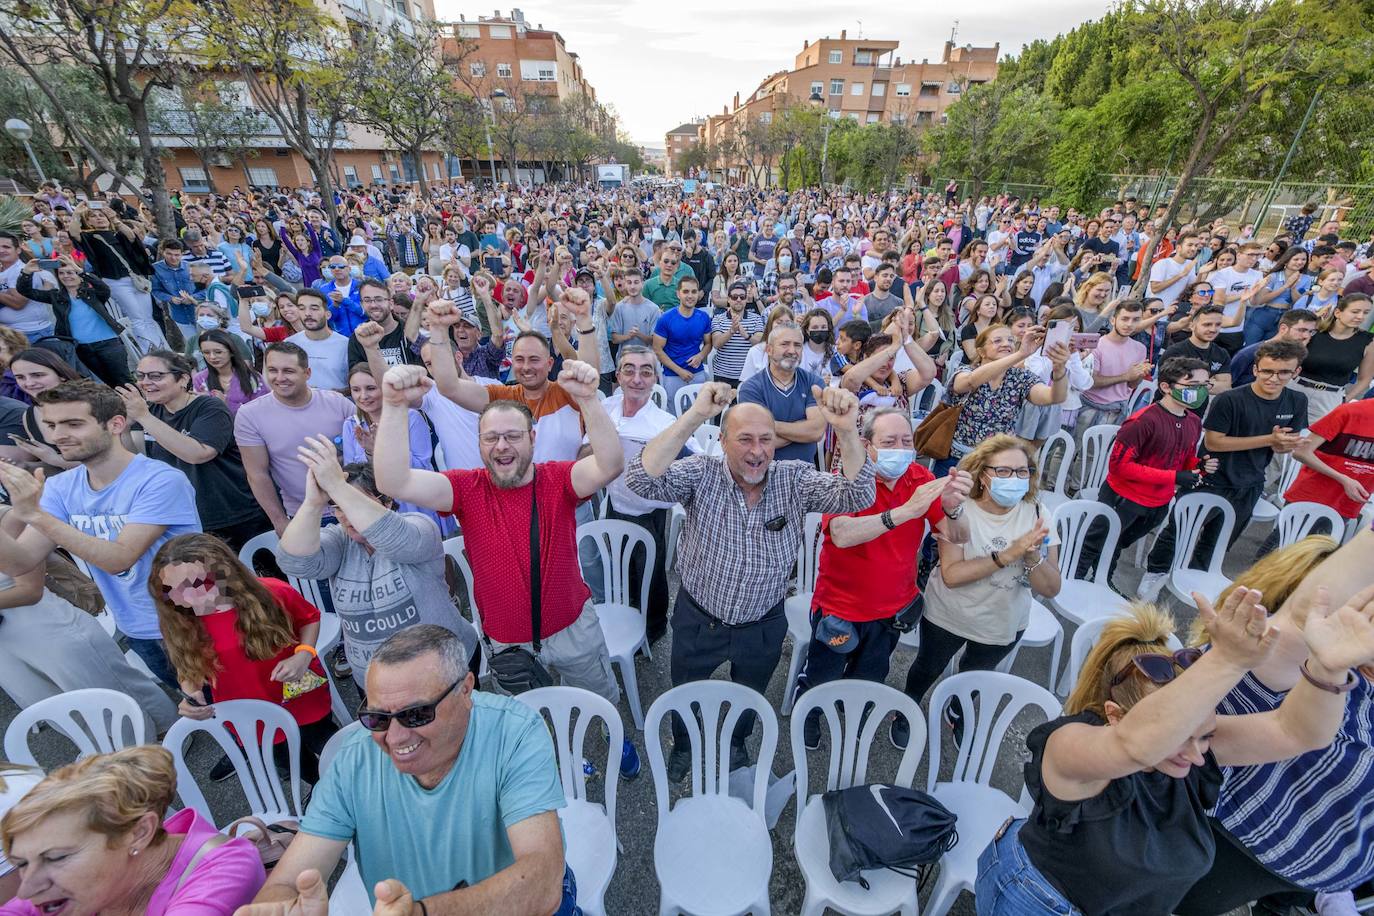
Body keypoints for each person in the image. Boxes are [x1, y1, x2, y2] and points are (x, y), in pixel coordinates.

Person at [975, 584, 1374, 916]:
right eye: (1185, 735)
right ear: (1114, 715)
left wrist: (1328, 670)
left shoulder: (1186, 758)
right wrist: (1228, 661)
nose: (1201, 755)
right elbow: (1136, 746)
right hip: (1035, 900)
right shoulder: (1070, 746)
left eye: (1206, 736)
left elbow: (1297, 732)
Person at [372, 359, 641, 778]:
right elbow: (393, 482)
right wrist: (392, 405)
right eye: (491, 437)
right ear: (479, 444)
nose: (502, 446)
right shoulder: (466, 488)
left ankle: (614, 735)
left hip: (573, 625)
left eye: (513, 435)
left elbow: (609, 465)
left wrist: (588, 399)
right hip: (507, 640)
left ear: (532, 438)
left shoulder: (558, 479)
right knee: (529, 715)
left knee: (600, 693)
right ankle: (557, 757)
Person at [624, 382, 876, 780]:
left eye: (765, 439)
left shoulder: (793, 478)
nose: (757, 451)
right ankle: (685, 746)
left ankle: (738, 742)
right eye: (744, 439)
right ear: (722, 441)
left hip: (763, 623)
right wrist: (693, 417)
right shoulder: (700, 473)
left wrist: (845, 430)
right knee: (685, 692)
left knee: (750, 694)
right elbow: (640, 479)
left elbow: (859, 495)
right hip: (699, 618)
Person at [234, 626, 575, 915]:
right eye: (376, 718)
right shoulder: (353, 762)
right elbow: (286, 882)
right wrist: (279, 905)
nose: (394, 738)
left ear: (466, 689)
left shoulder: (514, 731)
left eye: (417, 715)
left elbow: (543, 880)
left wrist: (425, 911)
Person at [1174, 535, 1374, 915]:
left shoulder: (1353, 675)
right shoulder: (1273, 669)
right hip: (1242, 853)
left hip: (1317, 873)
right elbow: (1301, 623)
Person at [0, 380, 200, 687]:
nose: (57, 436)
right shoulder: (61, 487)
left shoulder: (160, 480)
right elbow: (20, 562)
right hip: (136, 624)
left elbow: (119, 558)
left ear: (116, 424)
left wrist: (35, 515)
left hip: (193, 620)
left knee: (239, 706)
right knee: (197, 705)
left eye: (73, 424)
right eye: (51, 425)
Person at [795, 407, 972, 749]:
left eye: (907, 440)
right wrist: (905, 512)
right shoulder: (847, 479)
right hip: (840, 608)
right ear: (867, 445)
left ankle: (856, 714)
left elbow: (957, 537)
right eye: (889, 441)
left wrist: (953, 508)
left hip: (890, 611)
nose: (901, 448)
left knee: (870, 676)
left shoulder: (920, 479)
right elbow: (843, 533)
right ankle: (811, 713)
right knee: (822, 674)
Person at [277, 437, 479, 690]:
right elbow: (295, 563)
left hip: (442, 672)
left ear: (386, 501)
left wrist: (338, 486)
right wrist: (313, 503)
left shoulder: (418, 526)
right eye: (338, 506)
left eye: (354, 503)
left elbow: (395, 539)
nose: (347, 514)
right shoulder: (340, 540)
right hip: (378, 682)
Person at [903, 435, 1062, 746]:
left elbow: (1051, 586)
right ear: (982, 473)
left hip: (1002, 623)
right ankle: (908, 707)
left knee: (975, 676)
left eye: (1022, 471)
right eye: (1003, 471)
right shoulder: (958, 510)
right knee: (927, 666)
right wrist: (1009, 554)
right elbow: (951, 574)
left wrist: (1032, 557)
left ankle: (957, 711)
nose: (1014, 479)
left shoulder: (1038, 513)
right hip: (948, 615)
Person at [150, 533, 338, 783]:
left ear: (223, 572)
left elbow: (309, 618)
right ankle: (324, 794)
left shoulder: (271, 591)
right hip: (250, 715)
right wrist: (189, 694)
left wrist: (304, 654)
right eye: (172, 591)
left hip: (299, 695)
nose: (186, 598)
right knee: (294, 764)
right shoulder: (179, 619)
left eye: (197, 584)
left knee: (332, 750)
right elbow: (187, 665)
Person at [0, 746, 265, 915]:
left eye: (56, 858)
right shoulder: (70, 885)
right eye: (22, 863)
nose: (25, 891)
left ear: (138, 833)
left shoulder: (223, 870)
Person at [1141, 340, 1310, 601]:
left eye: (1283, 372)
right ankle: (1155, 573)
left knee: (1218, 541)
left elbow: (1283, 447)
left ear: (1296, 372)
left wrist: (1286, 444)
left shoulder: (1296, 401)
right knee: (1178, 531)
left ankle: (1192, 585)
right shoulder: (1230, 399)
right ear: (1255, 369)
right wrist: (1270, 440)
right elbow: (1214, 441)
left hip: (1251, 483)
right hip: (1210, 478)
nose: (1274, 378)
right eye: (1267, 371)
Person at [0, 503, 178, 736]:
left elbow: (31, 590)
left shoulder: (10, 517)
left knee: (105, 686)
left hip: (43, 624)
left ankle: (164, 736)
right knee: (45, 703)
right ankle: (106, 749)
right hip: (6, 645)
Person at [1075, 357, 1218, 589]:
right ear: (1165, 387)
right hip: (1124, 498)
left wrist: (1198, 464)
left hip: (1158, 502)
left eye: (1205, 385)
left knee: (1119, 543)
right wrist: (1174, 477)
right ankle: (1075, 580)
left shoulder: (1193, 421)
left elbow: (1184, 456)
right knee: (1097, 541)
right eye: (1192, 386)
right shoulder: (1142, 421)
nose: (1200, 392)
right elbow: (1120, 466)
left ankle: (1103, 580)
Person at [120, 350, 270, 551]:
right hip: (189, 517)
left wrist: (144, 417)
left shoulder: (209, 407)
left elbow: (199, 453)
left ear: (182, 379)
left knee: (262, 579)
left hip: (235, 513)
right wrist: (125, 429)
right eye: (140, 376)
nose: (145, 382)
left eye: (155, 376)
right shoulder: (151, 411)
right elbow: (138, 459)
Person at [595, 345, 695, 645]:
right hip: (615, 502)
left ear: (655, 379)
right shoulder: (607, 409)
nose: (637, 378)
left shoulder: (663, 424)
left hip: (650, 511)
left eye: (646, 371)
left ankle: (653, 629)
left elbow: (692, 461)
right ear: (618, 375)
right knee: (621, 568)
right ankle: (626, 619)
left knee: (650, 573)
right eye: (629, 369)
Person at [233, 342, 353, 535]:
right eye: (272, 370)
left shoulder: (338, 404)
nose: (280, 378)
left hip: (351, 507)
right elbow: (257, 474)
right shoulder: (249, 415)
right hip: (303, 514)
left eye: (288, 371)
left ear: (307, 373)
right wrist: (279, 522)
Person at [939, 325, 1070, 476]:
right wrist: (1021, 354)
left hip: (998, 464)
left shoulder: (1019, 378)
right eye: (997, 340)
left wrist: (1059, 368)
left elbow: (1054, 397)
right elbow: (969, 382)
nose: (1006, 344)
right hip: (959, 460)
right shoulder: (965, 372)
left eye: (1010, 340)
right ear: (981, 351)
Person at [16, 255, 130, 387]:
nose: (66, 276)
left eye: (70, 273)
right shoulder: (56, 296)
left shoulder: (92, 293)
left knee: (124, 380)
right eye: (61, 273)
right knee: (101, 384)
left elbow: (103, 288)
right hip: (81, 348)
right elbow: (26, 291)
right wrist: (26, 272)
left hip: (109, 345)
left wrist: (78, 269)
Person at [66, 205, 166, 353]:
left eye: (101, 215)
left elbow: (132, 237)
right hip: (116, 281)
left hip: (136, 278)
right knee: (137, 317)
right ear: (89, 221)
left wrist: (114, 218)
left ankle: (160, 347)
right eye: (94, 216)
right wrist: (76, 215)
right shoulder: (90, 237)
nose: (99, 218)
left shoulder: (118, 234)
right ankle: (150, 351)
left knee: (147, 317)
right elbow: (74, 233)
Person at [738, 321, 825, 464]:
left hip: (805, 473)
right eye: (785, 344)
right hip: (765, 471)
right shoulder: (751, 388)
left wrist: (769, 425)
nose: (792, 350)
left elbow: (816, 432)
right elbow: (756, 442)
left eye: (797, 345)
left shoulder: (813, 383)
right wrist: (803, 428)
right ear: (769, 350)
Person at [1285, 397, 1374, 528]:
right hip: (1311, 497)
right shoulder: (1350, 411)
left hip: (1347, 504)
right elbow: (1301, 452)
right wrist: (1343, 479)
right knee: (1280, 547)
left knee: (1322, 548)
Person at [1293, 293, 1374, 422]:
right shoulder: (1314, 332)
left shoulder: (1368, 342)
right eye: (1355, 311)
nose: (1360, 317)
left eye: (1366, 313)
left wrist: (1345, 399)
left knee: (1309, 440)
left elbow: (1365, 379)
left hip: (1329, 398)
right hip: (1295, 389)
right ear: (1337, 312)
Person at [1078, 299, 1151, 433]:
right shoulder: (1097, 344)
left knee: (1099, 454)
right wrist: (1125, 376)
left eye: (1135, 320)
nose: (1129, 324)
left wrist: (1140, 374)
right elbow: (1091, 381)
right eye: (1125, 319)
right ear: (1113, 320)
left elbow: (1132, 385)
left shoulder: (1140, 348)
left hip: (1117, 412)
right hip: (1088, 410)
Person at [652, 275, 712, 406]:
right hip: (672, 375)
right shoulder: (666, 319)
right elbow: (657, 349)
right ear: (678, 294)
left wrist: (701, 356)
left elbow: (708, 343)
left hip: (697, 373)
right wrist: (679, 371)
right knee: (674, 417)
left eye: (694, 291)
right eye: (686, 291)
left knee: (698, 414)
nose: (690, 296)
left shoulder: (704, 317)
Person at [1228, 308, 1319, 388]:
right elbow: (1227, 384)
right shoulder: (1249, 354)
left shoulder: (1298, 355)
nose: (1307, 336)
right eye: (1301, 330)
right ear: (1283, 328)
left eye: (1311, 331)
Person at [284, 291, 350, 391]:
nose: (307, 314)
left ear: (327, 314)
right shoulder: (289, 344)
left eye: (314, 308)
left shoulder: (346, 344)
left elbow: (357, 383)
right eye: (302, 308)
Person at [1161, 304, 1233, 391]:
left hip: (1202, 404)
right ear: (1192, 326)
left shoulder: (1221, 353)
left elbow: (1226, 387)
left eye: (1218, 325)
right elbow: (1171, 387)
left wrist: (1194, 383)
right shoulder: (1175, 352)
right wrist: (1210, 382)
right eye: (1207, 325)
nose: (1213, 329)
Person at [710, 280, 765, 387]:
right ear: (729, 299)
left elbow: (760, 343)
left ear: (746, 299)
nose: (738, 300)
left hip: (749, 375)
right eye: (735, 297)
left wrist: (746, 335)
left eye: (742, 297)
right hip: (723, 376)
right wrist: (731, 331)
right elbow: (716, 344)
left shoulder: (756, 319)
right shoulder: (718, 319)